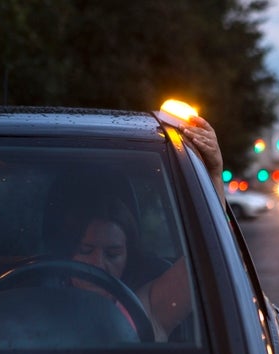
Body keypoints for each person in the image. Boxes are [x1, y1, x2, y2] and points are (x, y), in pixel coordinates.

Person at [65, 116, 225, 342]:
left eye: (112, 253)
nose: (98, 264)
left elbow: (209, 251)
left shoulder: (144, 310)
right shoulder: (28, 303)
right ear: (68, 250)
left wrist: (214, 175)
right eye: (86, 249)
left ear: (129, 256)